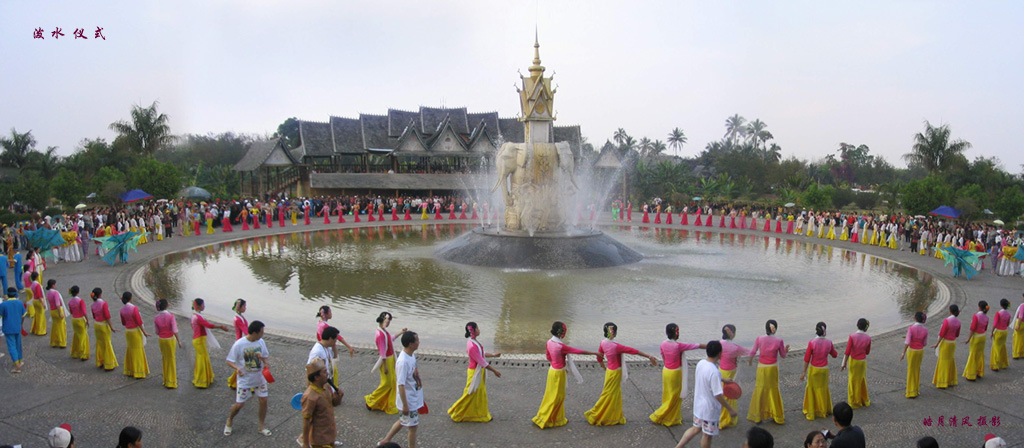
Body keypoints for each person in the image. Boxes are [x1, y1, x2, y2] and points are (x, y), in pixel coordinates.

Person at [532, 321, 603, 428]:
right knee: (558, 397)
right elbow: (578, 351)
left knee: (550, 395)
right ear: (561, 332)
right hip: (559, 373)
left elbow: (548, 357)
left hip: (552, 371)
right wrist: (595, 353)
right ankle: (550, 419)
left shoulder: (549, 342)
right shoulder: (561, 346)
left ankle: (547, 416)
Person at [584, 322, 658, 426]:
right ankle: (596, 414)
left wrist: (604, 367)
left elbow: (599, 357)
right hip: (615, 372)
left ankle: (613, 416)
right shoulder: (616, 346)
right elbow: (633, 351)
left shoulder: (603, 343)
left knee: (610, 393)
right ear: (615, 332)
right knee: (610, 395)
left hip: (609, 371)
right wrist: (649, 356)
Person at [673, 341, 736, 448]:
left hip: (699, 406)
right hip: (709, 410)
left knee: (695, 429)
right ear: (720, 353)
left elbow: (708, 377)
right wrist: (730, 408)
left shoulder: (701, 363)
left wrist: (724, 380)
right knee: (707, 436)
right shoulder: (715, 372)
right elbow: (718, 395)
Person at [650, 323, 706, 426]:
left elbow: (663, 356)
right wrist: (713, 347)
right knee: (675, 397)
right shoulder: (678, 346)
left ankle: (672, 417)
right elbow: (696, 345)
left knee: (667, 394)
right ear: (676, 333)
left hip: (666, 370)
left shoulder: (663, 344)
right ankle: (660, 414)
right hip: (675, 372)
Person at [447, 321, 503, 422]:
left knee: (479, 393)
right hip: (474, 373)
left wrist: (494, 355)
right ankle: (457, 412)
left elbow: (482, 354)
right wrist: (494, 371)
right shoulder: (472, 345)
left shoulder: (474, 342)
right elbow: (481, 361)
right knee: (470, 393)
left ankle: (480, 414)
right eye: (477, 328)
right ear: (473, 331)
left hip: (478, 372)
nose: (479, 330)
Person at [224, 320, 272, 437]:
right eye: (261, 332)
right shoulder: (239, 344)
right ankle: (230, 420)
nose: (262, 334)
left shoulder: (261, 342)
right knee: (239, 405)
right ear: (254, 333)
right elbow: (229, 360)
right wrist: (237, 368)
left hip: (260, 378)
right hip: (245, 380)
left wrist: (265, 363)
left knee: (263, 400)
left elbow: (265, 357)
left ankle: (261, 426)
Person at [379, 331, 423, 448]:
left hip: (413, 395)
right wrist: (405, 405)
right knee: (413, 426)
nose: (419, 342)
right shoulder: (403, 362)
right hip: (408, 400)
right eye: (417, 340)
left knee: (403, 420)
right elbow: (401, 384)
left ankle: (385, 440)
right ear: (410, 344)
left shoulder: (411, 355)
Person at [747, 319, 790, 425]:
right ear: (775, 329)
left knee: (760, 389)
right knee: (773, 390)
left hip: (761, 368)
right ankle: (775, 414)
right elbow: (783, 355)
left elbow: (752, 352)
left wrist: (750, 361)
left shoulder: (759, 339)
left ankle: (758, 415)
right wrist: (786, 349)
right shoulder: (779, 341)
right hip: (772, 368)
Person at [365, 311, 407, 414]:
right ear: (382, 319)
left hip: (390, 358)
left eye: (389, 320)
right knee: (387, 383)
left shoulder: (384, 331)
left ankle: (386, 402)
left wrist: (401, 332)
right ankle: (371, 399)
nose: (388, 322)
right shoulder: (380, 334)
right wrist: (385, 366)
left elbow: (391, 339)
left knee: (392, 382)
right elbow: (382, 351)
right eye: (386, 320)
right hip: (386, 360)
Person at [300, 357, 340, 448]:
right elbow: (306, 420)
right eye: (324, 372)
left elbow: (333, 403)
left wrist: (338, 397)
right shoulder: (310, 396)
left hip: (330, 435)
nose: (327, 374)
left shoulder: (326, 387)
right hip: (319, 440)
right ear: (316, 377)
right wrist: (305, 443)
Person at [801, 322, 837, 421]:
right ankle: (823, 410)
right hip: (824, 369)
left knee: (812, 389)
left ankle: (812, 410)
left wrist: (804, 372)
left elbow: (807, 359)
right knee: (823, 389)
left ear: (816, 330)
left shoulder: (812, 343)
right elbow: (834, 354)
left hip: (814, 369)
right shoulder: (829, 342)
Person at [191, 298, 229, 388]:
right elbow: (208, 325)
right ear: (199, 306)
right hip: (199, 340)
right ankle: (201, 380)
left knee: (202, 358)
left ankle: (202, 378)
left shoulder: (194, 316)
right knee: (202, 359)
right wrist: (220, 326)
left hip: (198, 339)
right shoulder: (198, 317)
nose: (204, 306)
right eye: (203, 305)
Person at [717, 324, 747, 429]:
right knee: (730, 394)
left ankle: (721, 416)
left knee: (722, 393)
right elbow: (750, 352)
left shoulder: (719, 344)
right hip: (731, 373)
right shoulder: (735, 347)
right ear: (732, 334)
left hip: (721, 371)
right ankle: (729, 418)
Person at [308, 326, 346, 406]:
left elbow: (335, 356)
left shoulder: (326, 347)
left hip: (326, 380)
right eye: (335, 339)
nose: (336, 342)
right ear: (330, 339)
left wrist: (333, 345)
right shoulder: (317, 351)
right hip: (320, 382)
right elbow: (309, 369)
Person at [841, 318, 871, 408]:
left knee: (852, 380)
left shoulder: (852, 336)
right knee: (861, 380)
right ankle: (862, 399)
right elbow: (867, 352)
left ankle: (853, 401)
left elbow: (847, 352)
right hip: (862, 362)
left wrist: (844, 363)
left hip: (854, 361)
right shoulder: (868, 338)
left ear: (857, 325)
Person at [119, 291, 150, 379]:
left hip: (128, 331)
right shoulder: (134, 308)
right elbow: (139, 322)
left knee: (130, 349)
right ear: (131, 298)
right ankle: (139, 371)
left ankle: (130, 369)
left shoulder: (122, 310)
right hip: (135, 331)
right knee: (138, 350)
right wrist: (144, 332)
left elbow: (123, 322)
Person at [153, 298, 182, 389]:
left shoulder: (156, 318)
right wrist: (179, 341)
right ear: (167, 306)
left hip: (162, 339)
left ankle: (166, 380)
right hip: (170, 339)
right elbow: (175, 330)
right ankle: (172, 381)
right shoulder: (171, 316)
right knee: (171, 359)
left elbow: (157, 331)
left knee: (165, 358)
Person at [932, 304, 961, 389]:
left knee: (943, 361)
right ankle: (950, 380)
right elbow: (957, 334)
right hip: (952, 342)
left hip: (946, 342)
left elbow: (942, 334)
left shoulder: (946, 321)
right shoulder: (958, 322)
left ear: (950, 311)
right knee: (950, 360)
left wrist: (937, 344)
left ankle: (942, 381)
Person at [90, 288, 119, 371]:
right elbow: (107, 316)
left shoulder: (92, 305)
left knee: (100, 343)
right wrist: (111, 327)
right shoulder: (103, 303)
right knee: (107, 343)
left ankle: (100, 360)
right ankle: (109, 363)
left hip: (97, 325)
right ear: (100, 294)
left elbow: (94, 316)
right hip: (103, 325)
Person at [901, 311, 928, 398]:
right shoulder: (925, 330)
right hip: (920, 350)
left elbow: (907, 342)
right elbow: (924, 343)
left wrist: (903, 353)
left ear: (915, 318)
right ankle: (916, 389)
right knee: (917, 369)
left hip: (912, 350)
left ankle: (910, 391)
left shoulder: (911, 328)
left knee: (911, 370)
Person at [0, 287, 26, 373]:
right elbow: (23, 315)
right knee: (18, 344)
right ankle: (20, 359)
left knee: (11, 346)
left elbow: (1, 316)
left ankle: (16, 364)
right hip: (17, 326)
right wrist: (21, 324)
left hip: (8, 327)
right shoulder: (19, 303)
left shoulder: (3, 304)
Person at [963, 300, 989, 381]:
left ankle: (971, 374)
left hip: (976, 336)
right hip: (983, 336)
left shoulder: (976, 316)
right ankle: (979, 371)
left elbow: (972, 328)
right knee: (980, 354)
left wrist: (968, 338)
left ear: (979, 307)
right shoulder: (987, 317)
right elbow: (985, 328)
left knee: (973, 354)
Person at [227, 298, 249, 390]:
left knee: (242, 364)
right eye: (244, 306)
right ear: (239, 307)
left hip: (241, 341)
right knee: (244, 364)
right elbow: (245, 330)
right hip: (240, 343)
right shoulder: (238, 319)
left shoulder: (240, 316)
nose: (245, 308)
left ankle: (234, 382)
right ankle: (239, 383)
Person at [67, 286, 90, 361]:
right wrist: (87, 320)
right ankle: (83, 353)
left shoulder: (70, 302)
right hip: (80, 319)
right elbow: (84, 311)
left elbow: (71, 312)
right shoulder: (80, 301)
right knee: (83, 336)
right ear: (78, 292)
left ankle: (75, 352)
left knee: (76, 335)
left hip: (74, 319)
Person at [44, 279, 67, 348]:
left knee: (55, 326)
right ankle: (61, 342)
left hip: (52, 310)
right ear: (53, 285)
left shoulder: (48, 293)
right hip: (57, 310)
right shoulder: (55, 293)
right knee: (61, 327)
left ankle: (54, 341)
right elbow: (57, 303)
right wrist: (60, 312)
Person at [991, 298, 1011, 371]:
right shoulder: (1008, 314)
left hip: (998, 331)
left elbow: (995, 324)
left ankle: (995, 364)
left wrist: (992, 332)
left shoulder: (998, 313)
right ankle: (1003, 363)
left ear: (1001, 305)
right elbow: (1008, 324)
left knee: (996, 347)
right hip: (1004, 331)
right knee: (1002, 347)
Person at [1013, 293, 1024, 359]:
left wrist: (1018, 325)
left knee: (1017, 338)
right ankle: (1022, 352)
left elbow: (1020, 316)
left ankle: (1016, 353)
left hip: (1021, 322)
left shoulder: (1022, 306)